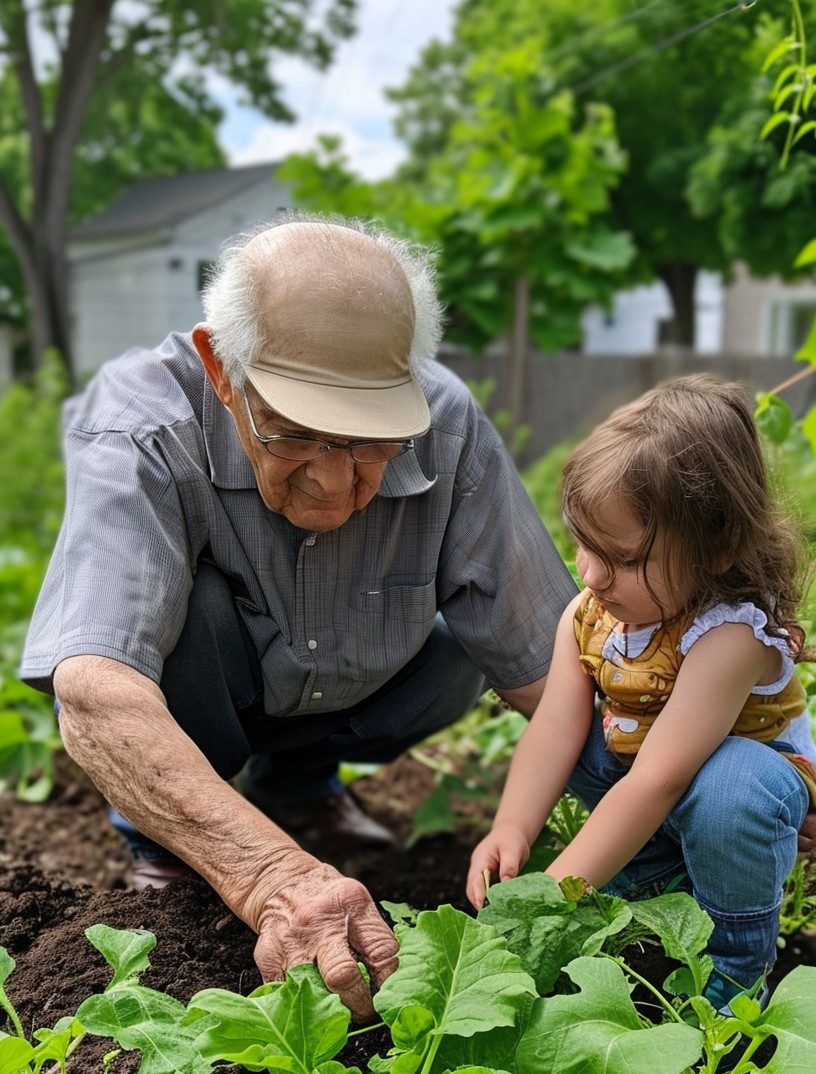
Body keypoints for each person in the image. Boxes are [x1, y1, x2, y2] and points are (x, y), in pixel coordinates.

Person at [20, 213, 576, 1019]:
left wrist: (696, 779)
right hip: (209, 689)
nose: (334, 482)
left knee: (463, 641)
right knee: (183, 619)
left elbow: (557, 667)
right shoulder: (141, 422)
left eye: (370, 443)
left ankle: (301, 789)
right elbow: (94, 689)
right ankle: (165, 837)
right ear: (222, 370)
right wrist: (273, 878)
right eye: (295, 435)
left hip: (355, 687)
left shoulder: (446, 422)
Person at [466, 374, 816, 1012]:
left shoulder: (730, 635)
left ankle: (736, 969)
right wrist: (511, 826)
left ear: (717, 548)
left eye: (624, 559)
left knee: (729, 787)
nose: (592, 574)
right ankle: (657, 867)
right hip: (654, 778)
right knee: (576, 736)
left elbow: (658, 779)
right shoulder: (591, 613)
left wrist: (549, 898)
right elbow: (553, 730)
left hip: (743, 790)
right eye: (583, 544)